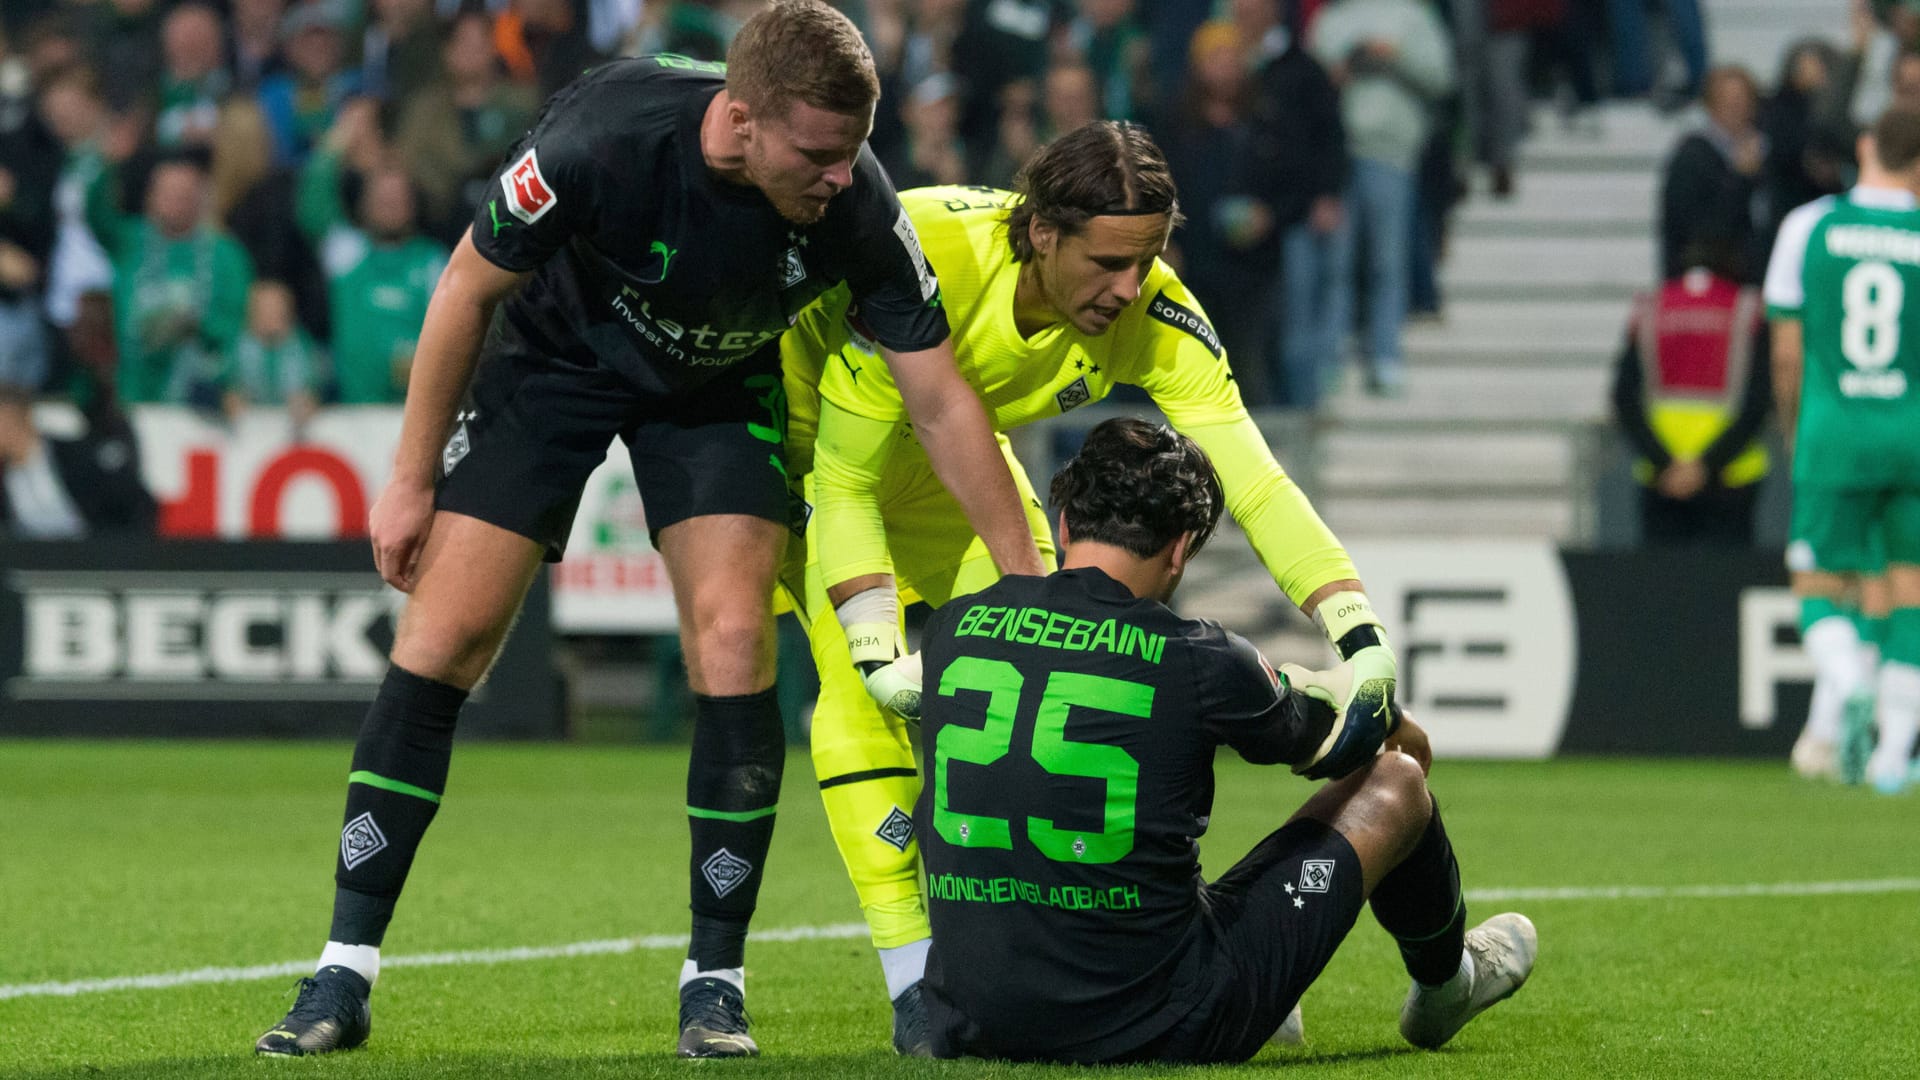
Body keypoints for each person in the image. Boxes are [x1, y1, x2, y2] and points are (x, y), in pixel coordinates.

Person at [253, 0, 1044, 1060]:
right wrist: (407, 482)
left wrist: (1028, 578)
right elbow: (461, 289)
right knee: (444, 643)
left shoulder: (855, 200)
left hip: (715, 387)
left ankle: (713, 982)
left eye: (851, 153)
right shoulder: (599, 140)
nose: (835, 176)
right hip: (556, 362)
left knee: (731, 640)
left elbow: (944, 402)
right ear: (742, 118)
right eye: (814, 154)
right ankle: (341, 976)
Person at [778, 121, 1400, 1053]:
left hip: (955, 462)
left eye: (1147, 259)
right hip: (809, 453)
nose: (1130, 287)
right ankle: (915, 982)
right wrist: (875, 646)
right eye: (1109, 261)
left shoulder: (1154, 309)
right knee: (859, 693)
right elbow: (846, 482)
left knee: (1056, 659)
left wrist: (1352, 623)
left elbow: (1257, 481)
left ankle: (1124, 947)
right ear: (1041, 234)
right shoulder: (923, 256)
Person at [913, 416, 1536, 1063]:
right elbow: (1346, 741)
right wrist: (1392, 722)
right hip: (1157, 1023)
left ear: (1064, 524)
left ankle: (1268, 988)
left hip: (975, 1021)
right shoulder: (1199, 658)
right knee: (1397, 782)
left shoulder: (955, 626)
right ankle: (1448, 981)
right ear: (1181, 548)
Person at [1767, 104, 1920, 794]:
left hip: (1835, 430)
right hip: (1911, 434)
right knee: (1911, 592)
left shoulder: (1811, 227)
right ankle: (1893, 761)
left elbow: (1787, 351)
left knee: (1819, 588)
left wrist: (1796, 427)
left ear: (1865, 147)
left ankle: (1848, 682)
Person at [1611, 237, 1773, 547]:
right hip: (1732, 476)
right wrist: (1705, 466)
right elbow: (1759, 399)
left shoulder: (1650, 308)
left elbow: (1623, 397)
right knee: (1724, 587)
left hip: (1660, 477)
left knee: (1664, 587)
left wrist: (1664, 463)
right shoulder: (1747, 309)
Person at [1660, 66, 1769, 283]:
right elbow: (1696, 227)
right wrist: (1741, 178)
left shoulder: (1767, 150)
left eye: (1742, 101)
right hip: (1709, 285)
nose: (1737, 108)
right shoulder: (1693, 157)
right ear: (1711, 106)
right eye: (1729, 102)